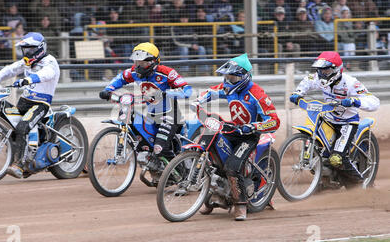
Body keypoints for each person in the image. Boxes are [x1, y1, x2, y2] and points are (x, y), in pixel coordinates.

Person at [196, 54, 280, 220]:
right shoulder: (227, 87)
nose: (228, 80)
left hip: (249, 135)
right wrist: (198, 100)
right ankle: (210, 197)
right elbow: (211, 91)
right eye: (226, 76)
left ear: (244, 77)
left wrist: (253, 126)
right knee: (212, 151)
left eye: (232, 77)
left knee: (232, 167)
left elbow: (274, 121)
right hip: (233, 129)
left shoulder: (258, 94)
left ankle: (240, 204)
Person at [99, 42, 193, 179]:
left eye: (142, 63)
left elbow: (188, 91)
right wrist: (108, 90)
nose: (138, 66)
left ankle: (182, 176)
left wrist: (166, 93)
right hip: (151, 114)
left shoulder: (167, 73)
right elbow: (120, 78)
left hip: (170, 115)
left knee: (159, 147)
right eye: (137, 62)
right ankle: (156, 168)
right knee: (141, 138)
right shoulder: (133, 71)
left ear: (153, 62)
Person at [289, 51, 380, 184]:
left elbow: (374, 101)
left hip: (347, 122)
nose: (321, 74)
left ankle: (359, 184)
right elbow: (307, 81)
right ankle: (327, 178)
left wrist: (355, 101)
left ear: (336, 70)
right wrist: (297, 93)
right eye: (319, 70)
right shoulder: (318, 78)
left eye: (325, 70)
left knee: (337, 159)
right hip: (328, 118)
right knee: (322, 152)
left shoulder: (350, 83)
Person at [0, 32, 60, 179]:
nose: (27, 52)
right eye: (25, 49)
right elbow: (9, 69)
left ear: (40, 48)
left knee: (22, 127)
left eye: (30, 49)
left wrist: (28, 80)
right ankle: (22, 158)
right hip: (24, 102)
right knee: (6, 117)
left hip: (40, 104)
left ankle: (18, 165)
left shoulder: (50, 62)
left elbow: (46, 74)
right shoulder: (26, 62)